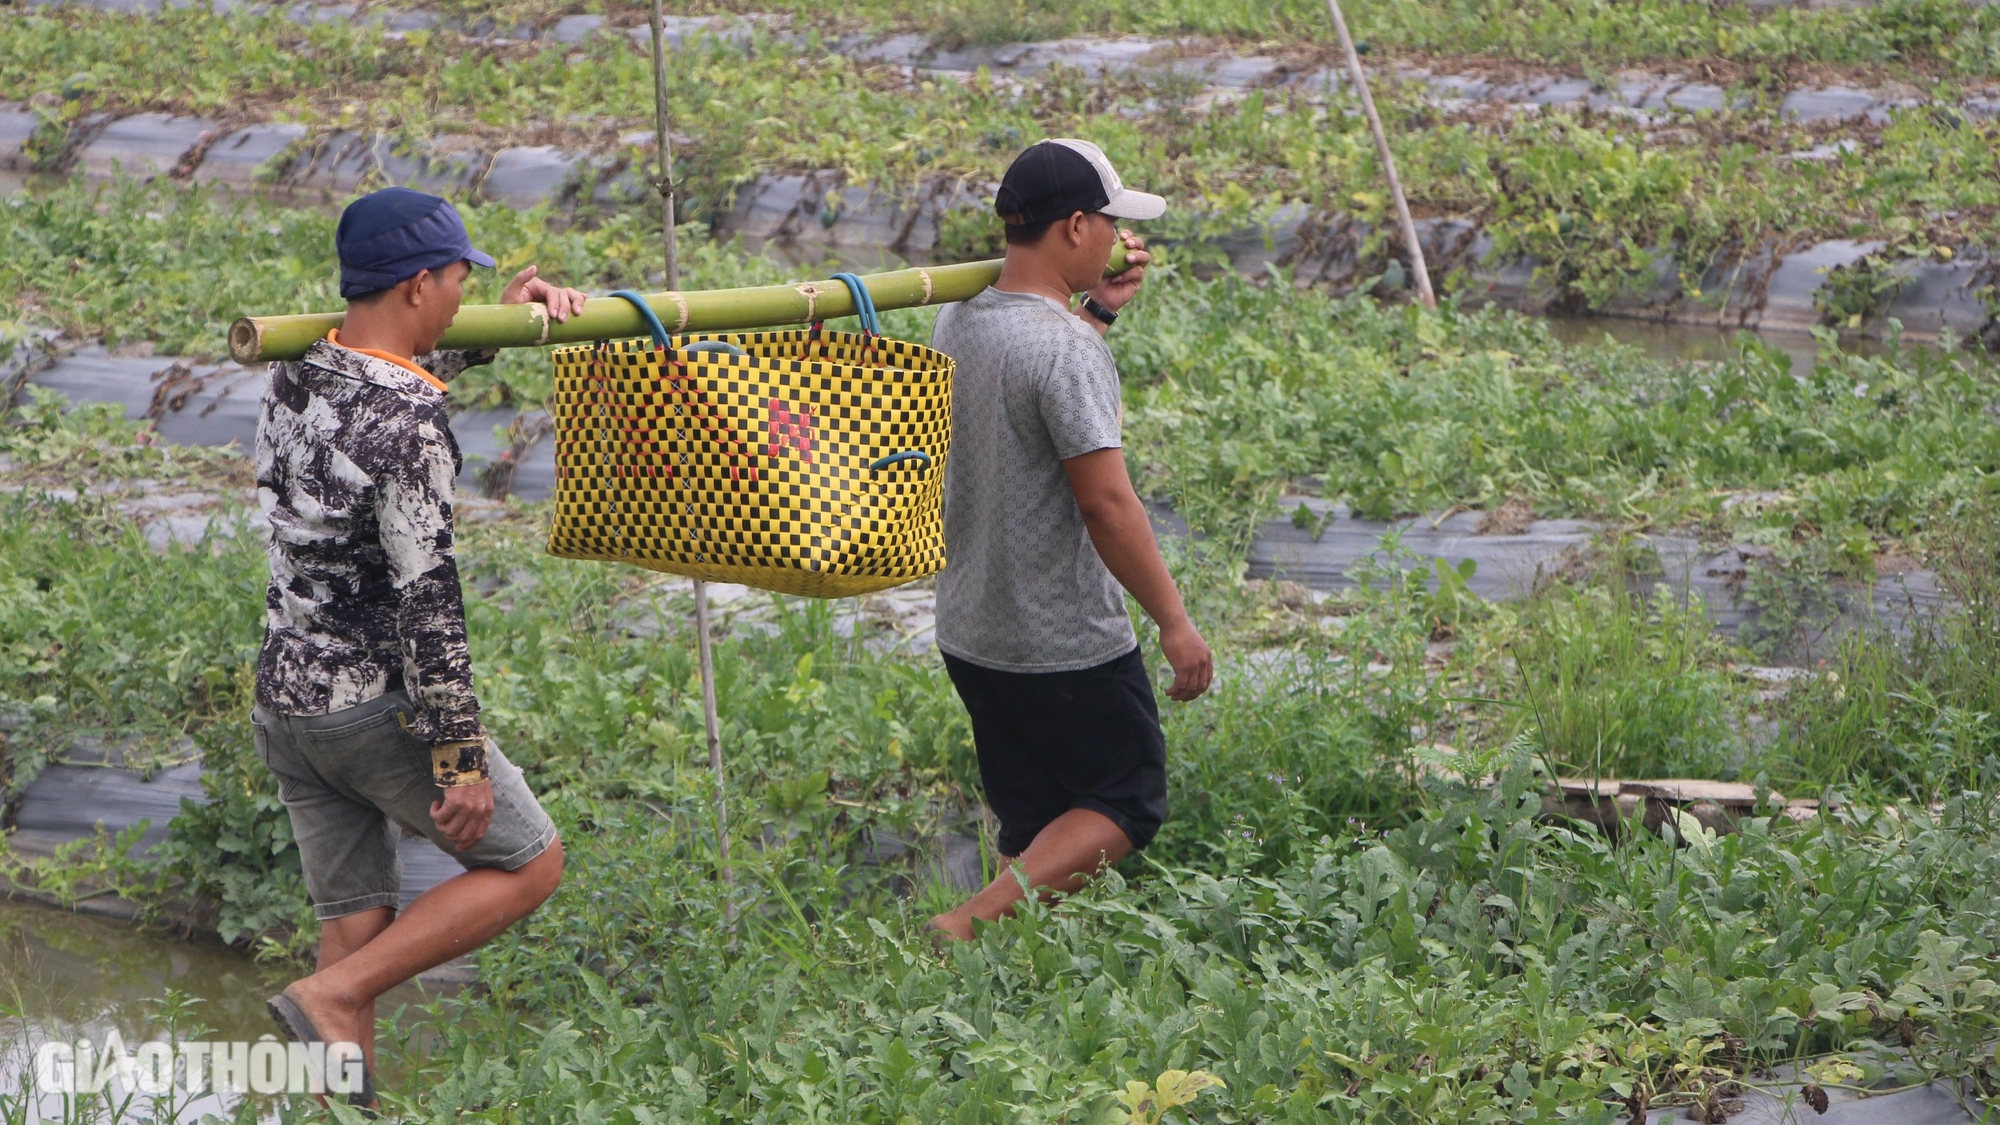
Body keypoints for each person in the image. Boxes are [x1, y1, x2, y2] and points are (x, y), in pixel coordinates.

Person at [252, 187, 587, 1108]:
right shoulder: (411, 430)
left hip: (287, 698)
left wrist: (505, 323)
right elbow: (427, 605)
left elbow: (388, 373)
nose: (457, 295)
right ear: (414, 286)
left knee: (355, 926)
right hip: (371, 707)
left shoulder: (295, 367)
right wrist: (460, 758)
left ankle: (334, 1072)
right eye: (454, 280)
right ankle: (333, 992)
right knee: (532, 860)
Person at [925, 139, 1214, 943]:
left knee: (1038, 820)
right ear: (1078, 226)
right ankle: (965, 926)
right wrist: (1174, 620)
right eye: (1113, 221)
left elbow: (1027, 400)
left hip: (973, 624)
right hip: (1062, 639)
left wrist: (1101, 312)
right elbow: (1107, 504)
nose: (1122, 236)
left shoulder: (962, 316)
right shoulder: (1064, 349)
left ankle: (1017, 980)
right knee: (1124, 801)